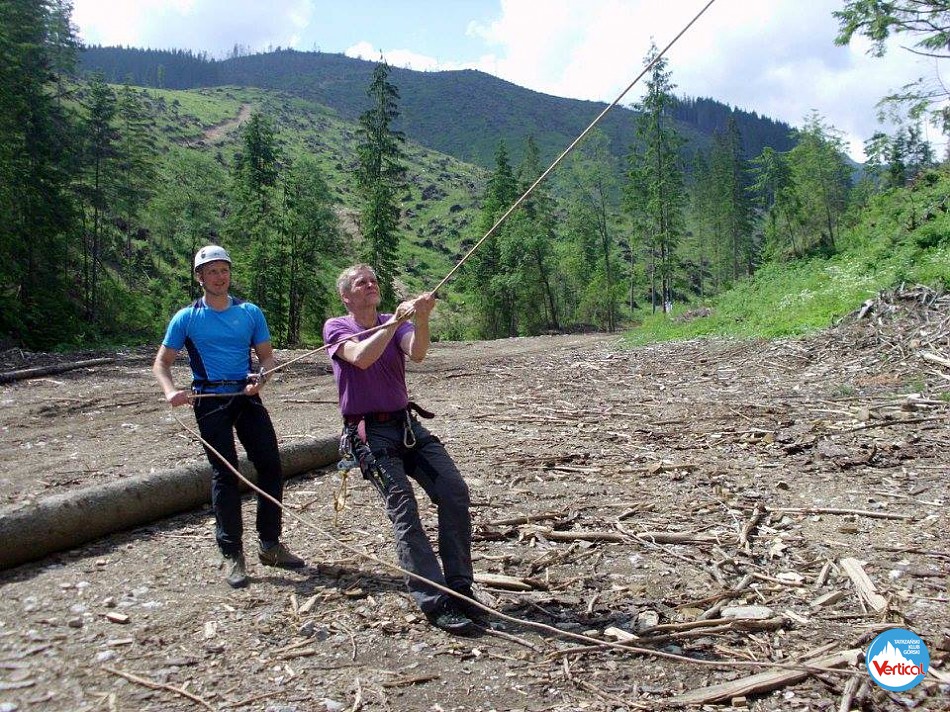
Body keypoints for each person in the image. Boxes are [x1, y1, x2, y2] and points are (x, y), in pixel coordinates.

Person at [324, 264, 479, 634]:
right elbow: (361, 357)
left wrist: (420, 320)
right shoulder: (337, 327)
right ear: (346, 296)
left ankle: (460, 588)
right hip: (369, 434)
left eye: (373, 280)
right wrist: (393, 323)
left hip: (405, 426)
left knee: (453, 491)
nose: (370, 285)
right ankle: (434, 601)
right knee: (404, 506)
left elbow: (418, 352)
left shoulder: (394, 322)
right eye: (361, 283)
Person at [152, 244, 304, 588]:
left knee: (270, 466)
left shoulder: (250, 312)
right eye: (211, 272)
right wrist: (169, 391)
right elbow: (161, 363)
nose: (219, 277)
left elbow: (266, 358)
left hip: (246, 396)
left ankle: (270, 544)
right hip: (209, 400)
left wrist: (262, 377)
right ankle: (232, 553)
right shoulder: (186, 318)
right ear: (200, 277)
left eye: (224, 270)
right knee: (225, 473)